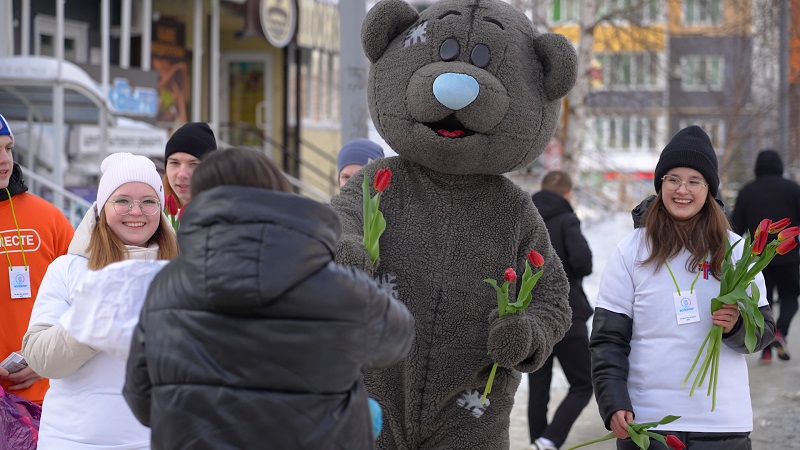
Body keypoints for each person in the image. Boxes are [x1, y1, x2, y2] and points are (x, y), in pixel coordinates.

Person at [123, 147, 415, 449]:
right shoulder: (338, 285)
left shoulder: (167, 286)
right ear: (279, 194)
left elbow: (140, 398)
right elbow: (396, 339)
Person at [590, 125, 776, 449]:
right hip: (649, 425)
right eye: (673, 179)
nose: (682, 190)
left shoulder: (736, 252)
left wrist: (737, 326)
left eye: (694, 181)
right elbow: (608, 339)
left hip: (722, 424)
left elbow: (764, 330)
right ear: (660, 184)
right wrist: (613, 402)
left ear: (709, 189)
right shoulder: (632, 250)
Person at [21, 152, 179, 449]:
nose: (136, 211)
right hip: (72, 441)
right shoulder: (68, 269)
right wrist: (95, 321)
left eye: (148, 201)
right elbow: (39, 357)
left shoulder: (181, 272)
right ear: (101, 207)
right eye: (122, 201)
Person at [0, 113, 74, 405]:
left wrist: (45, 359)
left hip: (44, 400)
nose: (4, 159)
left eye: (7, 148)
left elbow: (84, 297)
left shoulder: (48, 218)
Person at [528, 171, 593, 450]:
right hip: (567, 316)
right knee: (584, 383)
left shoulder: (525, 219)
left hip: (531, 316)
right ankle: (550, 439)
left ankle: (538, 442)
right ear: (568, 193)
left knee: (538, 387)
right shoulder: (567, 220)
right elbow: (583, 263)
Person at [732, 149, 800, 364]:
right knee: (790, 297)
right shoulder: (793, 189)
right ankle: (780, 332)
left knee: (763, 302)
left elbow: (734, 228)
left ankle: (767, 351)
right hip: (788, 255)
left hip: (757, 259)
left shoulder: (746, 192)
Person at [162, 121, 217, 209]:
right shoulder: (152, 213)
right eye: (174, 163)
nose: (182, 174)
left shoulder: (228, 215)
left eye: (194, 164)